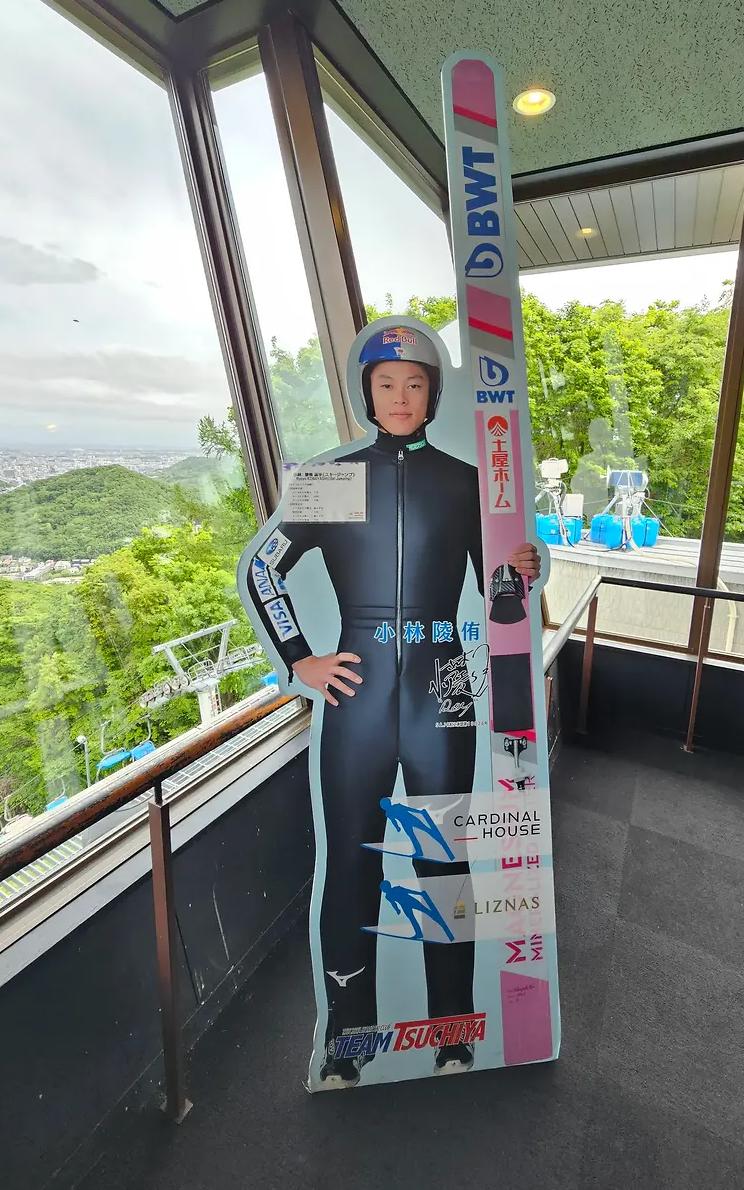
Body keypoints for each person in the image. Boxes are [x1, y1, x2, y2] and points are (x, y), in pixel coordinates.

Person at [245, 321, 539, 1088]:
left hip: (443, 692)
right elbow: (264, 572)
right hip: (358, 696)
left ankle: (452, 1032)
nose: (400, 396)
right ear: (365, 392)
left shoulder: (466, 482)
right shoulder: (329, 478)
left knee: (446, 861)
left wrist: (520, 574)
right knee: (349, 863)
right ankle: (351, 1035)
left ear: (433, 392)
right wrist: (298, 658)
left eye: (414, 382)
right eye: (385, 383)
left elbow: (502, 607)